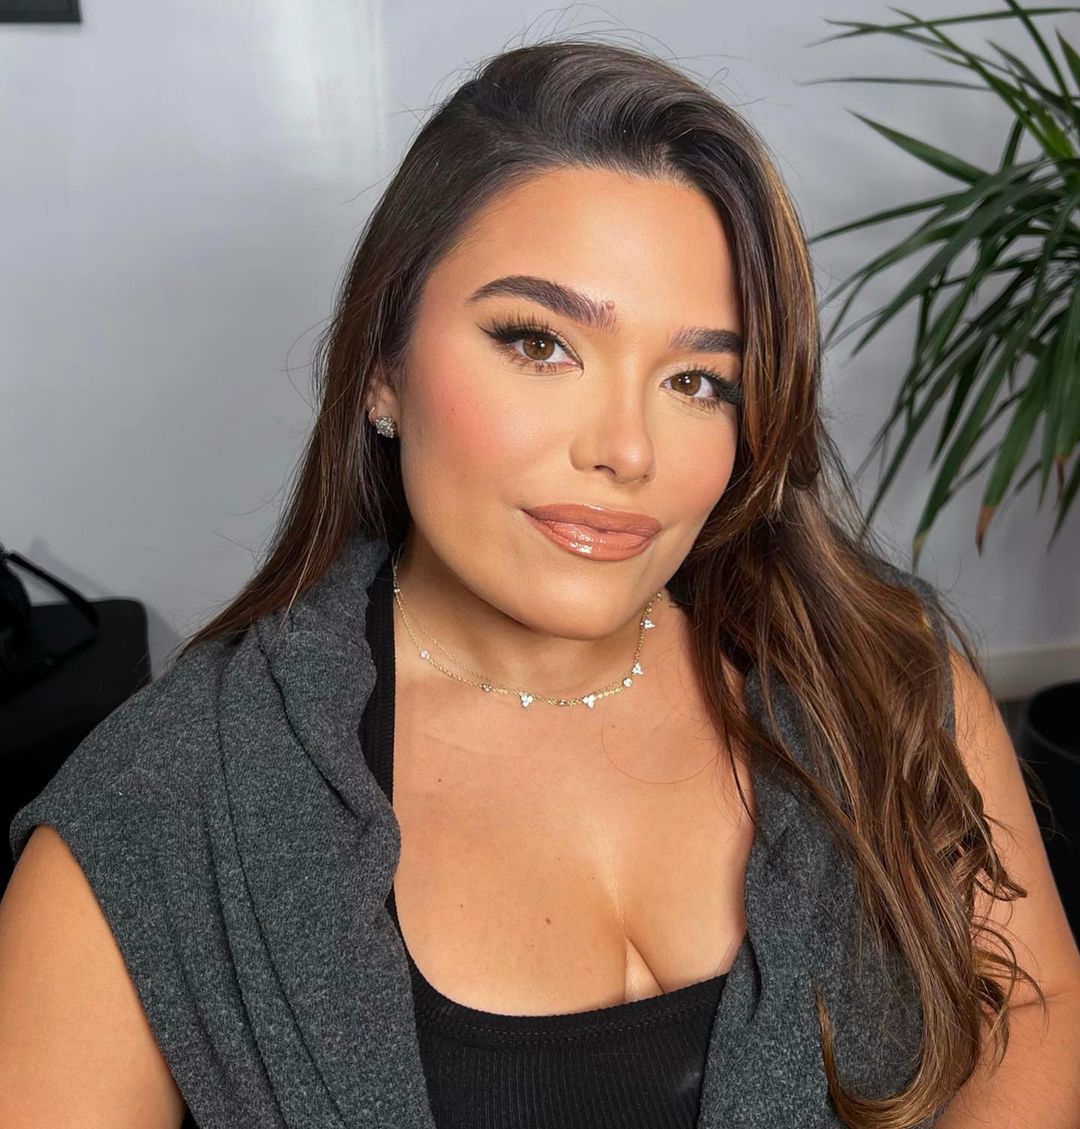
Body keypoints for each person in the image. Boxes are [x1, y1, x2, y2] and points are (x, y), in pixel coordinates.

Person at [2, 36, 1078, 1129]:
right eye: (538, 343)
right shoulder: (158, 817)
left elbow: (1033, 1016)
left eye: (698, 380)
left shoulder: (883, 679)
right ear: (382, 366)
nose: (627, 449)